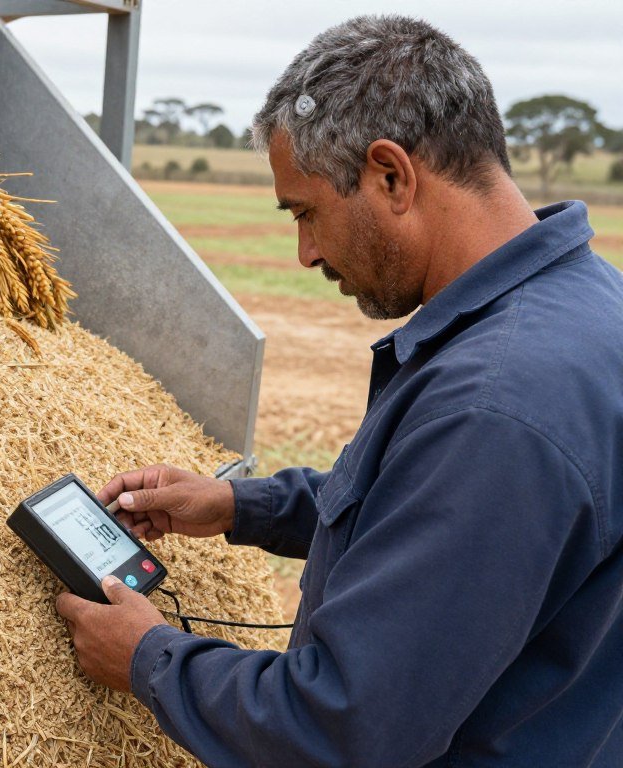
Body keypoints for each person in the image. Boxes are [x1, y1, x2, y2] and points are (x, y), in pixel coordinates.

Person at [55, 14, 623, 768]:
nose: (305, 252)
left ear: (391, 175)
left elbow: (346, 727)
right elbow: (438, 514)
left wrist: (147, 659)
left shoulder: (496, 403)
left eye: (307, 212)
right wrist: (240, 507)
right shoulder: (585, 309)